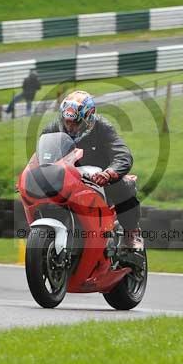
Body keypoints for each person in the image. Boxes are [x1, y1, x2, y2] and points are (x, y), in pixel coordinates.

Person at [41, 90, 144, 250]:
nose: (70, 126)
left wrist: (109, 173)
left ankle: (131, 233)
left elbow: (122, 154)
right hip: (66, 179)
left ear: (88, 118)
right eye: (67, 121)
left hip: (99, 180)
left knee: (123, 186)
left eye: (75, 122)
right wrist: (32, 176)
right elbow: (41, 156)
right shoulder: (53, 128)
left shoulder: (102, 127)